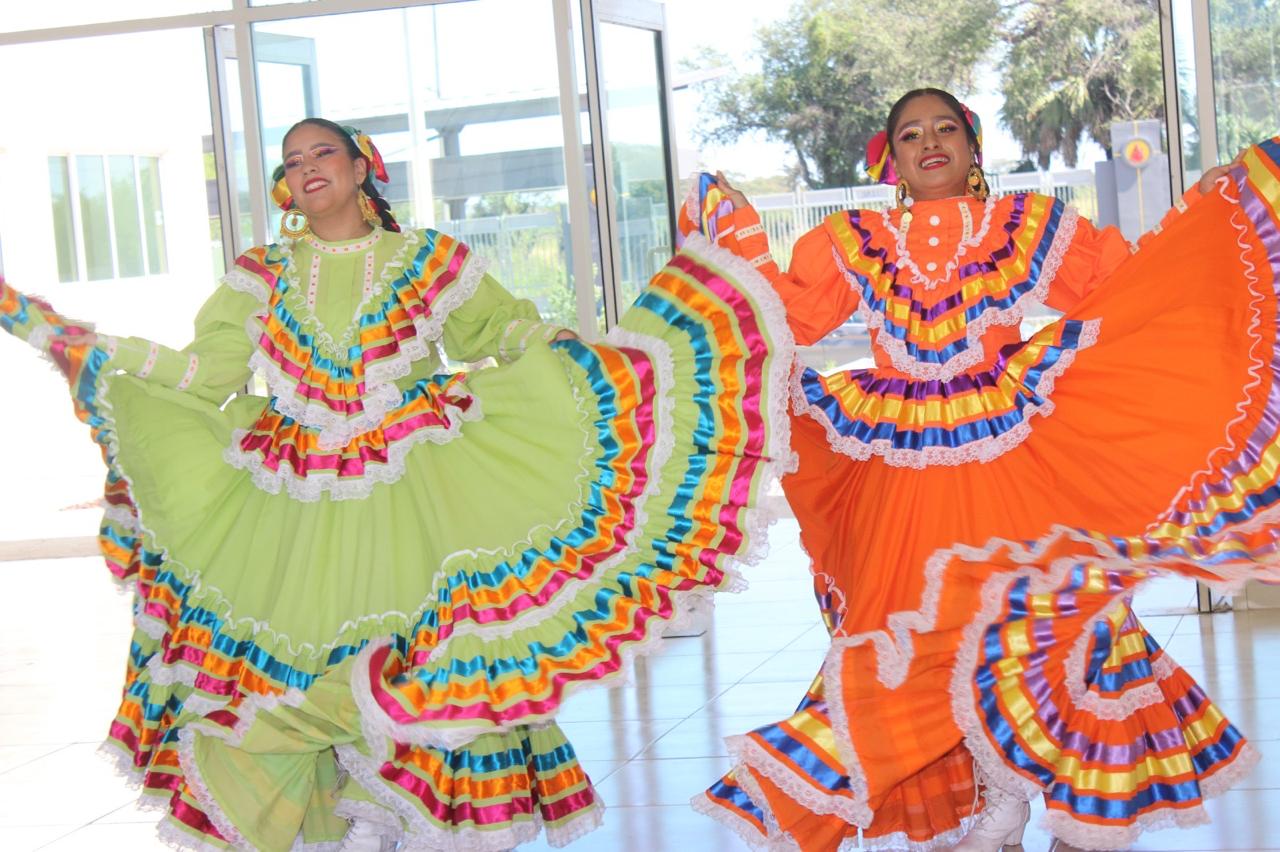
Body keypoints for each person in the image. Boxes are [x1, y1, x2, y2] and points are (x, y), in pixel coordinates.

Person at [0, 118, 796, 851]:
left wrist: (580, 358)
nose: (306, 167)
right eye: (292, 161)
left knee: (432, 673)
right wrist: (77, 342)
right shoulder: (261, 273)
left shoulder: (428, 259)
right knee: (288, 676)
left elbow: (501, 330)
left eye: (322, 153)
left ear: (359, 169)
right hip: (293, 503)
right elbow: (202, 373)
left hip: (420, 494)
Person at [681, 88, 1280, 851]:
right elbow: (782, 321)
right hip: (897, 466)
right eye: (909, 135)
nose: (929, 143)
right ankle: (984, 803)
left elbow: (1122, 290)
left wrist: (1205, 216)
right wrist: (730, 238)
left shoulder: (1030, 225)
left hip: (1011, 455)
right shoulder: (852, 239)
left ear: (971, 147)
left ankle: (1064, 800)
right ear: (891, 161)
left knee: (1046, 620)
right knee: (911, 626)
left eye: (944, 129)